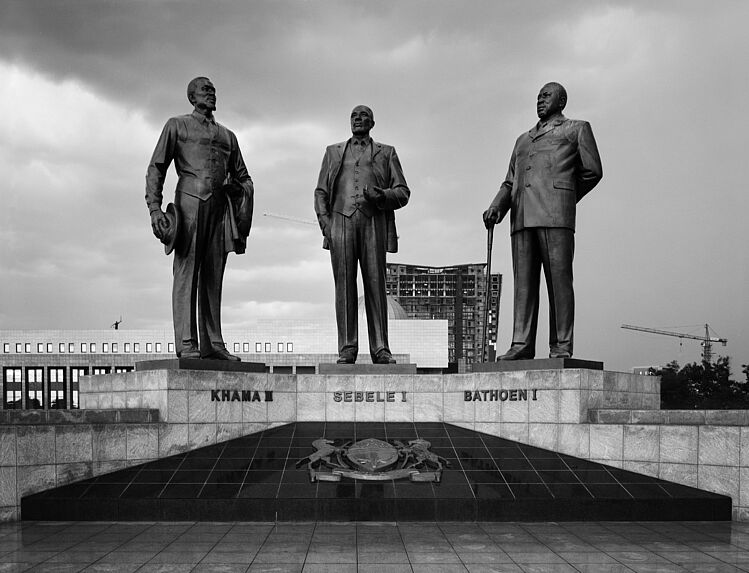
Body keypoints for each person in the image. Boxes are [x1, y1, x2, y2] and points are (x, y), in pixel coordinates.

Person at [483, 82, 602, 360]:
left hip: (555, 215)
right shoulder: (522, 140)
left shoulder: (576, 128)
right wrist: (497, 206)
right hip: (522, 217)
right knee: (523, 285)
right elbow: (510, 181)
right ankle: (521, 343)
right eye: (538, 96)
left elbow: (592, 171)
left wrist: (564, 197)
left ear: (561, 101)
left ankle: (561, 345)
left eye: (546, 96)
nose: (540, 100)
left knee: (559, 283)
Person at [146, 77, 254, 360]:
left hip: (220, 209)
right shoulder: (177, 125)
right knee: (187, 273)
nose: (211, 93)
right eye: (205, 90)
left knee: (213, 276)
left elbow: (244, 176)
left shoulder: (228, 136)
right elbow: (157, 167)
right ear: (192, 97)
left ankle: (213, 343)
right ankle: (186, 342)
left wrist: (240, 190)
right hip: (189, 204)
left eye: (214, 90)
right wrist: (155, 208)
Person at [314, 105, 410, 364]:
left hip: (373, 223)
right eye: (354, 116)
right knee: (344, 286)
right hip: (340, 222)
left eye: (363, 116)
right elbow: (321, 192)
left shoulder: (386, 153)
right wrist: (327, 225)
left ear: (373, 122)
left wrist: (382, 195)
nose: (358, 119)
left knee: (376, 286)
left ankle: (380, 347)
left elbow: (403, 192)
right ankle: (347, 348)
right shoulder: (332, 152)